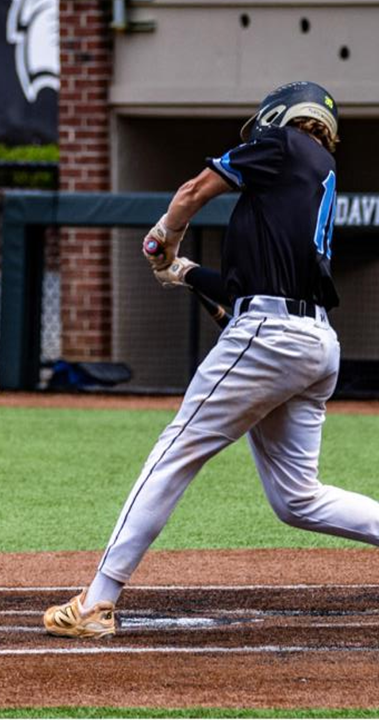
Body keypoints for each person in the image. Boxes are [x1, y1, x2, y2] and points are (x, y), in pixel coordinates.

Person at [44, 81, 379, 639]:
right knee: (297, 499)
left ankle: (96, 602)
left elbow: (194, 190)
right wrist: (184, 272)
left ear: (282, 115)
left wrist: (165, 237)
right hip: (314, 343)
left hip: (272, 336)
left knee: (175, 451)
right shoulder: (312, 175)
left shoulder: (285, 144)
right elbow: (248, 286)